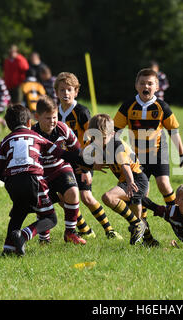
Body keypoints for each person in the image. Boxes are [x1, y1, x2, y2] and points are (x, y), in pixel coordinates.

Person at [0, 104, 86, 256]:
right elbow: (62, 154)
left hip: (12, 182)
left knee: (19, 212)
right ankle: (24, 235)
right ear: (30, 123)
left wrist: (12, 179)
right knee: (50, 218)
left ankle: (8, 249)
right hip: (34, 179)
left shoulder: (4, 141)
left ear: (8, 125)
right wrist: (87, 162)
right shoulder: (37, 137)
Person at [54, 72, 121, 240]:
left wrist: (87, 167)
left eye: (69, 89)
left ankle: (109, 230)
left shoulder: (81, 111)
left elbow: (94, 138)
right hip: (63, 161)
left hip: (83, 160)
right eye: (62, 90)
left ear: (76, 91)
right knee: (62, 198)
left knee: (86, 197)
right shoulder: (54, 112)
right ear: (56, 92)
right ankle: (84, 229)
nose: (65, 93)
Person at [114, 68, 183, 209]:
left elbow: (174, 132)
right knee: (142, 190)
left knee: (164, 184)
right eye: (142, 83)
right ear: (136, 86)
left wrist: (182, 155)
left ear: (157, 87)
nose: (146, 86)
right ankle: (143, 225)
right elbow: (114, 132)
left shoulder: (162, 107)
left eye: (150, 83)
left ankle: (175, 215)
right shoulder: (128, 106)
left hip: (158, 152)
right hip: (137, 155)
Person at [84, 113, 152, 245]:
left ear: (113, 134)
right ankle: (149, 241)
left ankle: (137, 224)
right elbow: (84, 155)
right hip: (128, 181)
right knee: (137, 223)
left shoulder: (116, 145)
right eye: (94, 137)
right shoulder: (98, 142)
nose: (98, 141)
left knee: (108, 197)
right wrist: (90, 167)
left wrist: (131, 182)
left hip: (136, 180)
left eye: (102, 138)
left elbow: (125, 166)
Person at [31, 95, 88, 244]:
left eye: (54, 117)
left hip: (61, 168)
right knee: (43, 205)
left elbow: (76, 151)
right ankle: (44, 238)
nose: (52, 121)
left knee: (73, 193)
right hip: (41, 174)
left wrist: (85, 169)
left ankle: (70, 233)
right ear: (37, 117)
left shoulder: (63, 129)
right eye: (47, 118)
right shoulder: (32, 133)